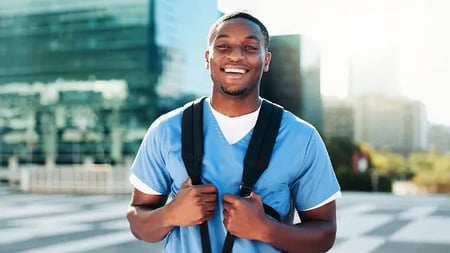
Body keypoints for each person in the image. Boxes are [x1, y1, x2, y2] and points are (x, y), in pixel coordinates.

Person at [127, 10, 341, 253]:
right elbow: (138, 219)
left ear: (267, 60)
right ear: (207, 58)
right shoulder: (166, 130)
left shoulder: (301, 137)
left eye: (250, 47)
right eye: (223, 46)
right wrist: (170, 214)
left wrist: (265, 229)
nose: (236, 56)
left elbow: (324, 233)